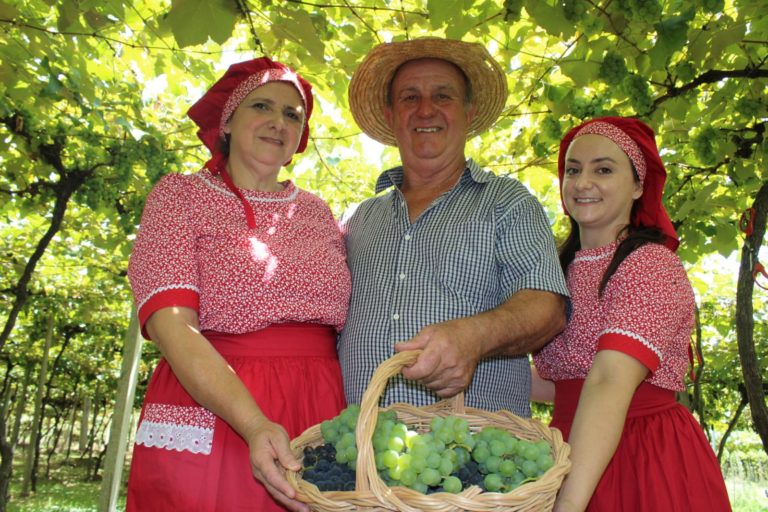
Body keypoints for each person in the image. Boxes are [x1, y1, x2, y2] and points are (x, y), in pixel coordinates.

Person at [126, 58, 350, 512]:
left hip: (317, 406)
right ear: (228, 121)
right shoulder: (180, 196)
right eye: (262, 106)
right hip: (219, 405)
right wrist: (252, 423)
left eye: (293, 114)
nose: (278, 121)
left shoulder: (317, 212)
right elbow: (172, 326)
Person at [339, 38, 569, 416]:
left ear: (468, 111)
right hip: (361, 457)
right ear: (391, 113)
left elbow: (548, 307)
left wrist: (474, 336)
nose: (425, 110)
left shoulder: (506, 202)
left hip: (476, 458)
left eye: (443, 96)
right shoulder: (358, 219)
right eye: (409, 97)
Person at [532, 116, 731, 511]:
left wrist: (567, 505)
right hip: (567, 447)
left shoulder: (650, 265)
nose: (582, 182)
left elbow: (608, 380)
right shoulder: (557, 269)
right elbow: (565, 384)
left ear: (639, 185)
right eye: (573, 170)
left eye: (603, 169)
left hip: (642, 454)